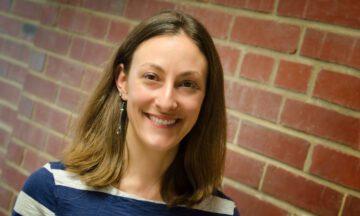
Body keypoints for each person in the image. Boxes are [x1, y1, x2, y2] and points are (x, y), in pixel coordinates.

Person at [12, 10, 240, 216]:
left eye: (187, 83)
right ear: (123, 82)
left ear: (205, 97)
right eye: (152, 77)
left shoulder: (223, 213)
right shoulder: (49, 190)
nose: (166, 101)